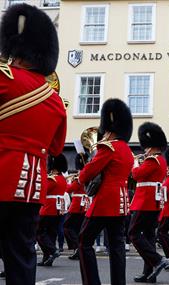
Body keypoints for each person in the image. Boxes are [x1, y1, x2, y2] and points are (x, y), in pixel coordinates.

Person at [0, 3, 67, 284]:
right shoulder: (55, 101)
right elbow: (55, 147)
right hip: (30, 189)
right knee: (22, 257)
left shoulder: (5, 79)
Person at [78, 98, 133, 285]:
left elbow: (89, 172)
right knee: (117, 246)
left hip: (105, 202)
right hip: (121, 204)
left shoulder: (108, 147)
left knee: (84, 241)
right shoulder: (126, 150)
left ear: (109, 128)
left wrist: (80, 176)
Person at [129, 122, 169, 283]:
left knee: (133, 233)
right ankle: (149, 273)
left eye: (146, 147)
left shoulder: (152, 160)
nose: (144, 150)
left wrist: (134, 162)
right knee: (149, 236)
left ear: (151, 147)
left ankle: (158, 260)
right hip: (153, 202)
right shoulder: (160, 160)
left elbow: (136, 175)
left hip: (145, 202)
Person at [36, 154, 68, 266]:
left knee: (38, 231)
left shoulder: (51, 179)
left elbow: (42, 191)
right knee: (51, 233)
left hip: (49, 208)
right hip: (58, 209)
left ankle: (52, 250)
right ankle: (47, 258)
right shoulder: (62, 179)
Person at [64, 154, 90, 260]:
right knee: (78, 229)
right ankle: (78, 250)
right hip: (85, 205)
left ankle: (76, 247)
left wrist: (66, 181)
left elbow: (69, 189)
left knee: (67, 227)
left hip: (77, 205)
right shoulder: (87, 175)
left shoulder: (80, 177)